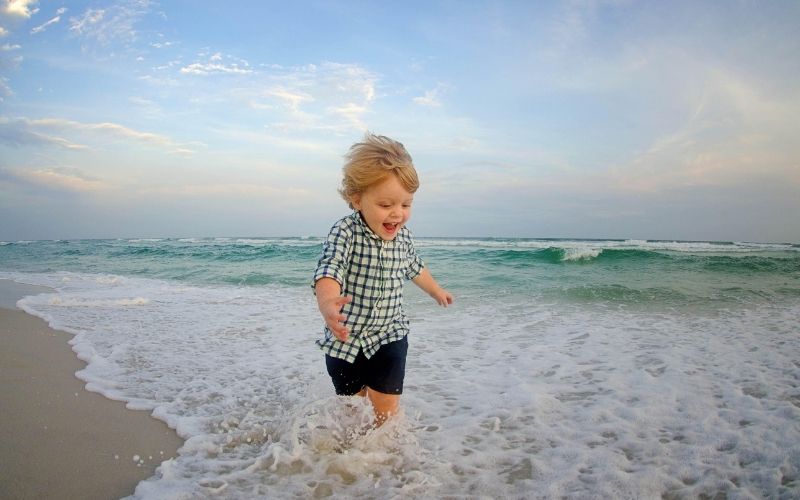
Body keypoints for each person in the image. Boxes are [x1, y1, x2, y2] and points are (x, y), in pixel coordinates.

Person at [313, 132, 453, 426]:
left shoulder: (404, 237)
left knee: (386, 410)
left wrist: (436, 290)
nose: (397, 215)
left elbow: (414, 267)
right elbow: (330, 268)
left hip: (389, 334)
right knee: (352, 410)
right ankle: (346, 461)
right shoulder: (345, 232)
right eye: (386, 204)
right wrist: (327, 303)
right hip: (345, 339)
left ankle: (388, 457)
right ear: (357, 199)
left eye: (406, 205)